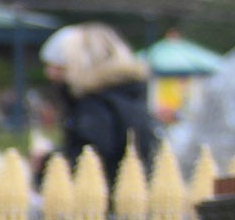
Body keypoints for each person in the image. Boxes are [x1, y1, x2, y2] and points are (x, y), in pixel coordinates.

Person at [41, 23, 162, 185]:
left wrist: (48, 161)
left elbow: (88, 158)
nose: (50, 74)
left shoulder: (94, 106)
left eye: (61, 66)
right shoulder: (130, 96)